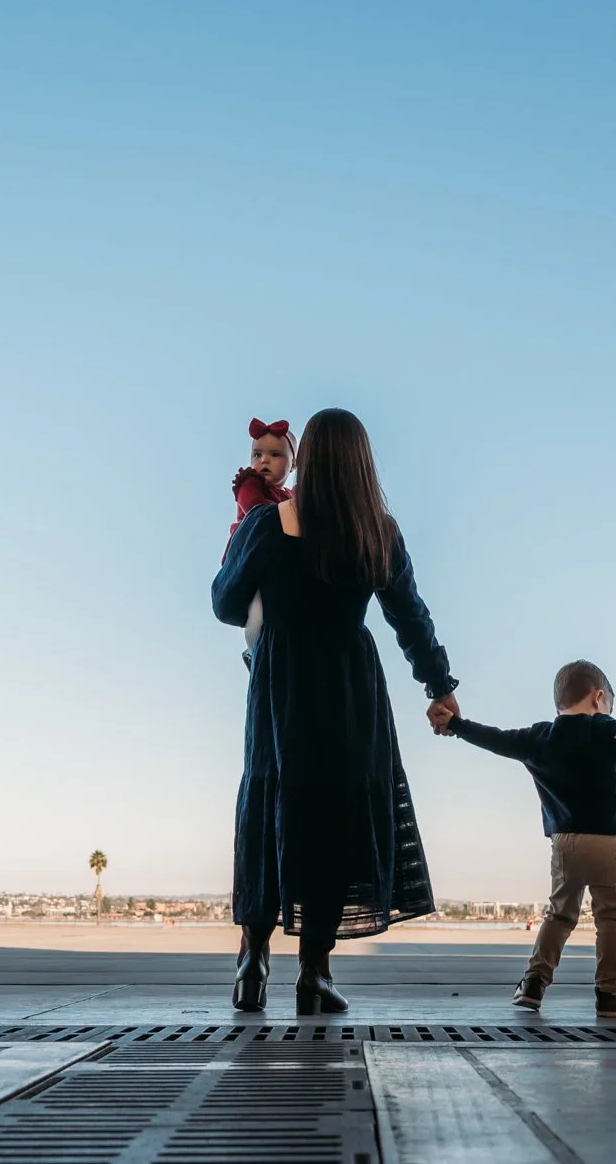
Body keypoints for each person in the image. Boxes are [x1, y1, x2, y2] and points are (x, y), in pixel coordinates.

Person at [212, 408, 459, 1015]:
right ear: (362, 462)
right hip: (350, 687)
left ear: (307, 460)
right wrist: (438, 685)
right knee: (334, 816)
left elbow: (224, 604)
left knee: (272, 804)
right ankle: (314, 975)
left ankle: (252, 961)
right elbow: (409, 615)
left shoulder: (269, 523)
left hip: (281, 686)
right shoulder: (378, 529)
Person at [430, 659, 616, 1018]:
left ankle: (534, 983)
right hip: (608, 843)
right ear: (599, 698)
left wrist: (455, 724)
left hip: (564, 843)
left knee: (559, 915)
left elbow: (494, 738)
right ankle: (610, 993)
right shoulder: (607, 729)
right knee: (611, 918)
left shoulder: (539, 737)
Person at [227, 418, 297, 661]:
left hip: (274, 561)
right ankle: (255, 650)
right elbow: (259, 512)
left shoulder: (289, 495)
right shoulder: (250, 485)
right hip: (251, 556)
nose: (263, 460)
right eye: (257, 455)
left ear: (293, 464)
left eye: (275, 455)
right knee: (257, 609)